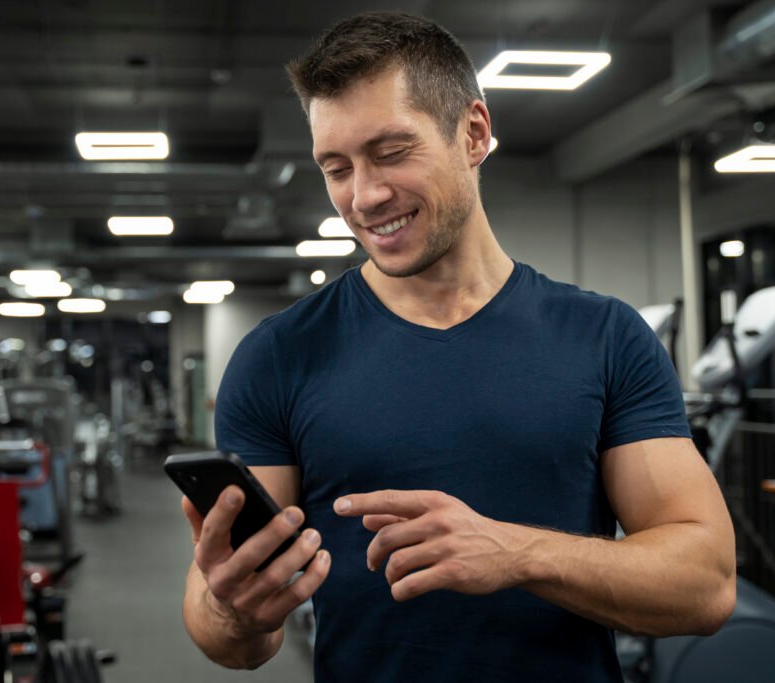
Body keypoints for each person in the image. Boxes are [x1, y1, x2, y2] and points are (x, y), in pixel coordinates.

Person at [179, 11, 736, 681]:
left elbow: (706, 584)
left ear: (473, 133)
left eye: (390, 152)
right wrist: (234, 607)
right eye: (337, 167)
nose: (364, 195)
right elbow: (231, 637)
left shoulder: (606, 338)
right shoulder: (278, 355)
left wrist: (514, 552)